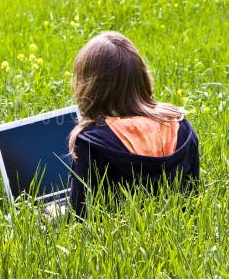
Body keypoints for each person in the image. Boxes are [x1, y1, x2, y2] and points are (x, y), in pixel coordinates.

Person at [67, 31, 199, 218]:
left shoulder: (91, 143)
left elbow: (81, 219)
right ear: (141, 76)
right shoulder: (180, 124)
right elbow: (193, 199)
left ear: (88, 85)